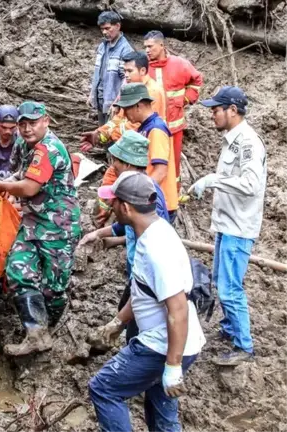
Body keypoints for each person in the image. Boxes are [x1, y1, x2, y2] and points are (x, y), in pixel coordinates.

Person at [88, 171, 206, 431]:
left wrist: (173, 366)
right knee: (160, 410)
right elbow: (144, 291)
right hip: (176, 343)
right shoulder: (153, 232)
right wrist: (116, 323)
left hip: (162, 345)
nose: (111, 207)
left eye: (114, 202)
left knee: (103, 388)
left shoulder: (156, 249)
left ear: (126, 207)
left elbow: (178, 310)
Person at [0, 101, 81, 356]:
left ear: (46, 121)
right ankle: (36, 333)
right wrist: (6, 182)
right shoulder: (23, 143)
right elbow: (20, 174)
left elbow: (30, 188)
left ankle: (49, 330)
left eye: (32, 123)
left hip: (58, 225)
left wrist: (2, 186)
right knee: (18, 269)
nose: (27, 129)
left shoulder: (49, 148)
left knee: (54, 287)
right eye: (23, 124)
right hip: (32, 221)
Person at [189, 86, 266, 366]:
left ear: (233, 111)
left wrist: (212, 180)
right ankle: (230, 328)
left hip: (239, 227)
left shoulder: (248, 143)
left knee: (230, 288)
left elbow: (250, 184)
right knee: (222, 281)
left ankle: (243, 345)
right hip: (227, 223)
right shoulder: (232, 140)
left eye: (216, 109)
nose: (213, 114)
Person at [79, 131, 170, 341]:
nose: (113, 166)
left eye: (116, 161)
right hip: (136, 272)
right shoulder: (133, 189)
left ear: (128, 164)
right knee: (127, 311)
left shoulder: (148, 194)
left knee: (137, 327)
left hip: (146, 274)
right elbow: (125, 226)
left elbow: (155, 234)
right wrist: (98, 234)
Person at [81, 50, 167, 227]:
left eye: (130, 71)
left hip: (140, 174)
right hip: (128, 161)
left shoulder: (151, 95)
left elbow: (129, 129)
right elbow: (118, 120)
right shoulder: (129, 91)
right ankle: (102, 226)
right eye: (124, 71)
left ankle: (104, 225)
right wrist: (100, 134)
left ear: (143, 71)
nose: (126, 75)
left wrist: (139, 194)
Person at [145, 30, 203, 191]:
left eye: (150, 46)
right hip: (151, 129)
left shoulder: (180, 64)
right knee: (153, 161)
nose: (147, 51)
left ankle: (174, 194)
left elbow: (196, 80)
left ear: (162, 45)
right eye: (145, 47)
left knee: (173, 162)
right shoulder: (144, 67)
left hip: (174, 127)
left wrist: (186, 99)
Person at [114, 83, 179, 222]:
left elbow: (160, 171)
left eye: (126, 109)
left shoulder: (156, 129)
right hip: (150, 198)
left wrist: (138, 195)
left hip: (158, 202)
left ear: (138, 105)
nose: (124, 115)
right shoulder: (145, 127)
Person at [88, 11, 133, 125]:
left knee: (112, 137)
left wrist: (117, 103)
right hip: (101, 99)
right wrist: (92, 94)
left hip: (113, 103)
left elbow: (127, 80)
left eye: (108, 28)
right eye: (102, 29)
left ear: (118, 26)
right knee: (101, 134)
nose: (104, 32)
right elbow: (97, 72)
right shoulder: (102, 46)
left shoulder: (125, 50)